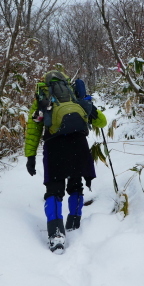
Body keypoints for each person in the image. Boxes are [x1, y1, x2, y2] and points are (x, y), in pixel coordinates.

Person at [24, 70, 107, 253]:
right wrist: (89, 105)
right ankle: (74, 223)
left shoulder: (42, 99)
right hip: (79, 144)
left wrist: (30, 157)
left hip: (54, 146)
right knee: (76, 185)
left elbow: (33, 130)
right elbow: (102, 122)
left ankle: (56, 234)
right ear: (66, 82)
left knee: (54, 189)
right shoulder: (76, 97)